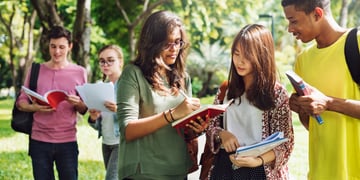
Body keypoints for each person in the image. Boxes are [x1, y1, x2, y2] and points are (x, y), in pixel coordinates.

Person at [116, 10, 206, 179]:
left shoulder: (182, 77)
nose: (174, 49)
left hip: (178, 170)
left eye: (178, 42)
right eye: (167, 43)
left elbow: (182, 128)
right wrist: (173, 114)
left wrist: (197, 128)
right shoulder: (133, 74)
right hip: (143, 172)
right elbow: (127, 130)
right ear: (152, 44)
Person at [281, 0, 360, 179]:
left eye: (293, 21)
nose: (290, 29)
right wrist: (301, 107)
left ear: (317, 14)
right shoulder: (303, 60)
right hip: (320, 173)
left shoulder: (357, 43)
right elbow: (313, 125)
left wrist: (328, 102)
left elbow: (325, 104)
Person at [205, 24, 294, 179]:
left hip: (259, 169)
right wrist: (222, 134)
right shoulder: (226, 89)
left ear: (261, 55)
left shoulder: (277, 94)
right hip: (225, 167)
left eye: (247, 56)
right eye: (236, 54)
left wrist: (257, 161)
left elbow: (286, 143)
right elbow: (211, 125)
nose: (240, 61)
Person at [16, 26, 88, 179]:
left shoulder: (80, 72)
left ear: (70, 47)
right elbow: (21, 101)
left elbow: (84, 109)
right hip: (39, 140)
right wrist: (33, 107)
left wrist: (77, 103)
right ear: (48, 45)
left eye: (62, 47)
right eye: (53, 46)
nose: (57, 52)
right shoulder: (35, 70)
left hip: (67, 141)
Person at [88, 45, 123, 180]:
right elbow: (97, 125)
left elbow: (139, 115)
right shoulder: (100, 87)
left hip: (122, 143)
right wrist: (93, 118)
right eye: (102, 61)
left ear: (120, 61)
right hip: (106, 142)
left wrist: (118, 110)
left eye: (110, 60)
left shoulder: (128, 85)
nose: (106, 64)